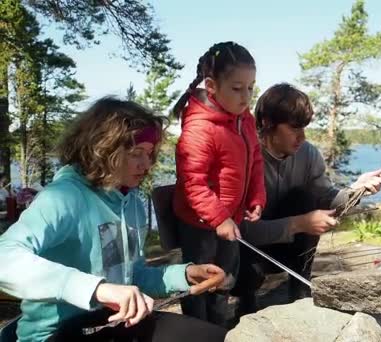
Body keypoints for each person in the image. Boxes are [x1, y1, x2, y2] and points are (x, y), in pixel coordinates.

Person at [0, 97, 227, 342]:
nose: (146, 164)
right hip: (55, 334)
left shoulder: (132, 203)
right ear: (101, 150)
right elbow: (5, 257)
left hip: (113, 324)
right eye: (136, 153)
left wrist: (184, 274)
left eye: (149, 153)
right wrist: (96, 289)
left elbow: (132, 276)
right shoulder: (63, 197)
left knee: (217, 338)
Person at [233, 83, 381, 314]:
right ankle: (245, 304)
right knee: (250, 257)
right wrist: (301, 223)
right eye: (295, 128)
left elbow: (327, 198)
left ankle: (300, 293)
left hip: (284, 247)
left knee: (304, 197)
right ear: (267, 123)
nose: (302, 137)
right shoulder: (243, 156)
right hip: (242, 254)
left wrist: (358, 189)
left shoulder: (307, 154)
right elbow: (240, 233)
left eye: (304, 128)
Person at [171, 41, 266, 325]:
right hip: (199, 224)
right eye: (237, 88)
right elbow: (193, 183)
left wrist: (256, 196)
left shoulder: (244, 120)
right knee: (202, 280)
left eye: (251, 88)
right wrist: (220, 218)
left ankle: (218, 327)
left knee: (226, 278)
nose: (246, 96)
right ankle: (198, 329)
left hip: (230, 220)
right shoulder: (200, 128)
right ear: (211, 86)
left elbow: (256, 160)